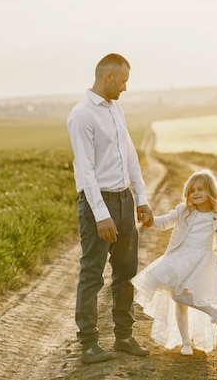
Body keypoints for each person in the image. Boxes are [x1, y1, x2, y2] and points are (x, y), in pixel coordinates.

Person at [67, 53, 153, 364]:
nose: (125, 88)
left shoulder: (116, 108)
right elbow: (86, 170)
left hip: (124, 200)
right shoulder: (82, 115)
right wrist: (101, 214)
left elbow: (130, 155)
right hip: (96, 205)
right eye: (124, 81)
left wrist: (140, 198)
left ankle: (124, 337)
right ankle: (89, 344)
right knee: (92, 275)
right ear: (109, 78)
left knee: (126, 273)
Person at [133, 169, 217, 356]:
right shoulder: (183, 211)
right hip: (180, 258)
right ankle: (186, 342)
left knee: (179, 296)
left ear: (210, 191)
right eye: (192, 190)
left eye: (200, 189)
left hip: (201, 261)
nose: (195, 193)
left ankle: (216, 313)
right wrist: (150, 220)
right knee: (179, 300)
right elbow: (163, 222)